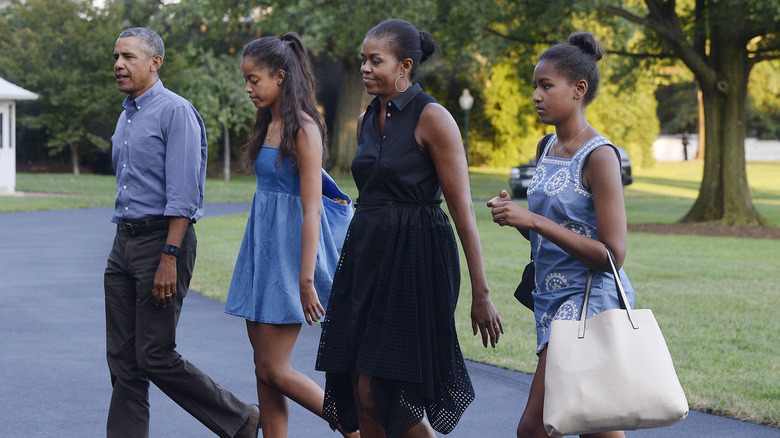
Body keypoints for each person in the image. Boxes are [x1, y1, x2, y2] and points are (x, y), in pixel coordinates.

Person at [316, 19, 503, 438]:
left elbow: (462, 212)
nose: (364, 67)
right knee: (358, 388)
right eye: (363, 59)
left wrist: (482, 292)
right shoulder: (367, 115)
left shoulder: (433, 117)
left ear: (404, 66)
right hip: (366, 255)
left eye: (374, 60)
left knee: (382, 389)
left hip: (416, 260)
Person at [104, 27, 260, 438]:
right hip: (124, 242)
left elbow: (185, 194)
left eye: (128, 57)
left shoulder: (176, 112)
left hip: (162, 243)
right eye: (116, 57)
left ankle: (241, 418)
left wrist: (169, 256)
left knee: (154, 355)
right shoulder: (126, 114)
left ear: (155, 63)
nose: (118, 64)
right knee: (122, 362)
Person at [487, 32, 635, 438]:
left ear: (579, 90)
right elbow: (551, 233)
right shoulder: (545, 146)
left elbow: (612, 255)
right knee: (595, 421)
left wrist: (533, 220)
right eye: (535, 85)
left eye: (546, 86)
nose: (536, 95)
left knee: (534, 428)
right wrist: (516, 219)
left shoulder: (601, 156)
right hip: (549, 299)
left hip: (588, 301)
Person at [223, 33, 357, 438]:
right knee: (263, 370)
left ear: (280, 76)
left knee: (273, 367)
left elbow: (312, 207)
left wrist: (305, 277)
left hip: (289, 255)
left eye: (254, 79)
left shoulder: (304, 128)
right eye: (246, 80)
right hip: (261, 250)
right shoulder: (269, 121)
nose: (248, 88)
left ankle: (355, 428)